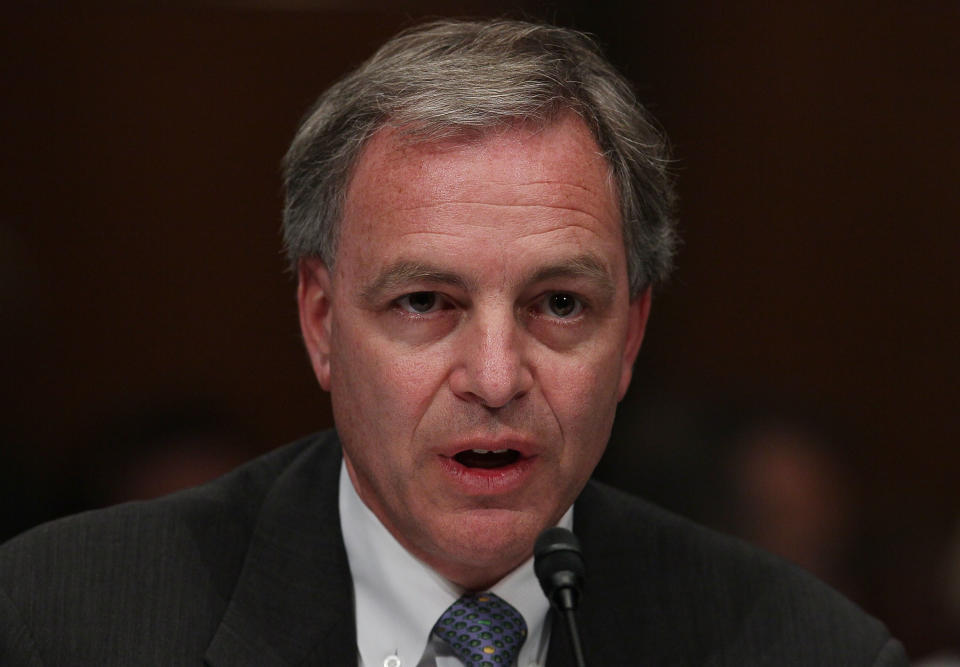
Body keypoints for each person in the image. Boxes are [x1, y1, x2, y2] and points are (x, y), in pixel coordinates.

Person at [0, 19, 906, 666]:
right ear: (321, 322)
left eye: (558, 304)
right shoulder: (61, 619)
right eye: (427, 301)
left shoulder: (808, 648)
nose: (497, 376)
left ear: (630, 334)